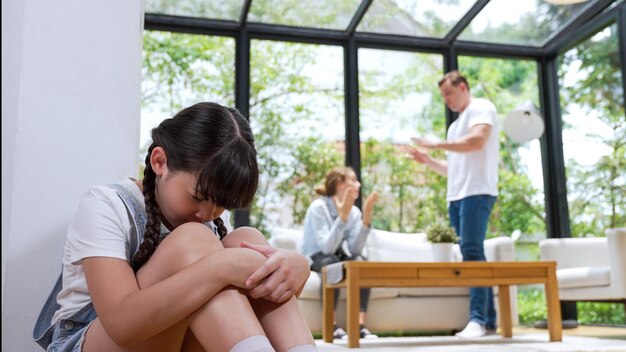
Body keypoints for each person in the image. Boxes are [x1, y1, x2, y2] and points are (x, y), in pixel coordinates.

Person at [44, 102, 317, 351]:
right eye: (197, 197)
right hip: (98, 340)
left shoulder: (208, 221)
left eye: (220, 204)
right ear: (160, 162)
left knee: (245, 238)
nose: (206, 213)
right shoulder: (106, 204)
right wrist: (221, 267)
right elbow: (121, 327)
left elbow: (250, 310)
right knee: (193, 240)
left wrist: (295, 270)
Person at [402, 70, 500, 338]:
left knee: (471, 251)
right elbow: (453, 169)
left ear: (463, 87)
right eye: (443, 95)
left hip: (477, 192)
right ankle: (489, 321)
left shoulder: (481, 108)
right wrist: (428, 161)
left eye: (449, 93)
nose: (446, 99)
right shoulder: (455, 126)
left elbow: (477, 142)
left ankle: (478, 319)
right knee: (471, 253)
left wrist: (436, 145)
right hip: (457, 196)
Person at [300, 166, 379, 340]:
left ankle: (360, 327)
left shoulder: (355, 212)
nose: (358, 184)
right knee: (331, 261)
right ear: (340, 184)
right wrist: (342, 218)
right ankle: (332, 325)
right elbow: (326, 248)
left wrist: (366, 218)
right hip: (316, 257)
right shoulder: (319, 207)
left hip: (337, 256)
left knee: (360, 263)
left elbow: (355, 250)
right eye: (353, 180)